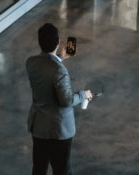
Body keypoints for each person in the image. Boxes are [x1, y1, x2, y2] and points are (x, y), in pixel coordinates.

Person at [25, 23, 93, 175]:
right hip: (59, 130)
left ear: (39, 42)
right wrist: (83, 94)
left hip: (39, 127)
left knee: (39, 168)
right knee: (61, 170)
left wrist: (58, 58)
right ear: (58, 43)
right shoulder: (59, 70)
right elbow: (67, 100)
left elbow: (47, 68)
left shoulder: (30, 63)